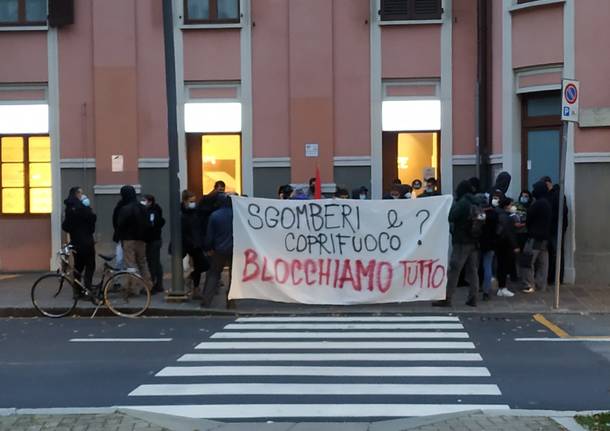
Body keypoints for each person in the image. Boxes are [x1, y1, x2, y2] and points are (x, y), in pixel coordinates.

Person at [433, 180, 482, 307]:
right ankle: (473, 297)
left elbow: (451, 216)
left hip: (462, 240)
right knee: (473, 270)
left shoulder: (463, 203)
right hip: (475, 240)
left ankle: (447, 298)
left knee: (455, 269)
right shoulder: (477, 201)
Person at [62, 187, 96, 293]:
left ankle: (77, 291)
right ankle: (87, 288)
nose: (83, 195)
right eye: (81, 193)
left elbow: (66, 226)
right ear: (77, 194)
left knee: (78, 267)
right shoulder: (84, 208)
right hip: (87, 241)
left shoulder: (69, 208)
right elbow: (92, 222)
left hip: (76, 241)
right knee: (90, 266)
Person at [202, 193, 234, 308]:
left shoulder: (215, 215)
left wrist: (208, 248)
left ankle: (206, 300)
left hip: (219, 249)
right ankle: (231, 302)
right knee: (233, 276)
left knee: (214, 274)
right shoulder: (236, 214)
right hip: (234, 249)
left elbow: (210, 236)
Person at [520, 181, 552, 293]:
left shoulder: (538, 204)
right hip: (545, 238)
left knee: (527, 261)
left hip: (534, 238)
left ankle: (529, 284)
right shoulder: (547, 203)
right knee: (543, 263)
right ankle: (541, 285)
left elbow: (529, 217)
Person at [116, 185, 151, 283]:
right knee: (142, 263)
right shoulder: (142, 207)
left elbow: (120, 224)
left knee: (130, 265)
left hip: (128, 239)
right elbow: (148, 224)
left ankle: (133, 287)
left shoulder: (125, 208)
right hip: (141, 240)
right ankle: (148, 285)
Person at [181, 190, 209, 298]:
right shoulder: (181, 212)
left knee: (202, 265)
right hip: (187, 243)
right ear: (185, 200)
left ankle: (193, 283)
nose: (193, 202)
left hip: (196, 243)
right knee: (195, 265)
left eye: (194, 200)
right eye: (191, 200)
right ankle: (193, 288)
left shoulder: (196, 211)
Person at [540, 176, 568, 284]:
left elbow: (562, 211)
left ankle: (556, 278)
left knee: (556, 253)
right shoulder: (552, 195)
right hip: (553, 228)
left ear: (548, 184)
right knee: (553, 253)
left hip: (555, 228)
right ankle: (553, 277)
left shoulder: (557, 195)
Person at [494, 196, 518, 298]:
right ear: (506, 206)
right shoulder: (506, 218)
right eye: (511, 204)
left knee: (500, 266)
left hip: (499, 243)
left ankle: (501, 287)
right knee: (503, 266)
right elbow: (509, 233)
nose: (512, 207)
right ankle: (502, 288)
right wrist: (515, 246)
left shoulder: (498, 214)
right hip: (505, 245)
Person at [142, 194, 165, 294]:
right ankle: (158, 284)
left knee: (153, 263)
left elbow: (150, 225)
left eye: (144, 200)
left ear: (150, 202)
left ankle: (154, 285)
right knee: (155, 262)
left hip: (152, 240)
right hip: (154, 240)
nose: (143, 202)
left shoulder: (152, 212)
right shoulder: (154, 211)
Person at [479, 190, 500, 300]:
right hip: (491, 243)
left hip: (478, 243)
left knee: (475, 267)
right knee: (488, 266)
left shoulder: (480, 214)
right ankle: (486, 291)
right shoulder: (494, 214)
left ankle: (477, 287)